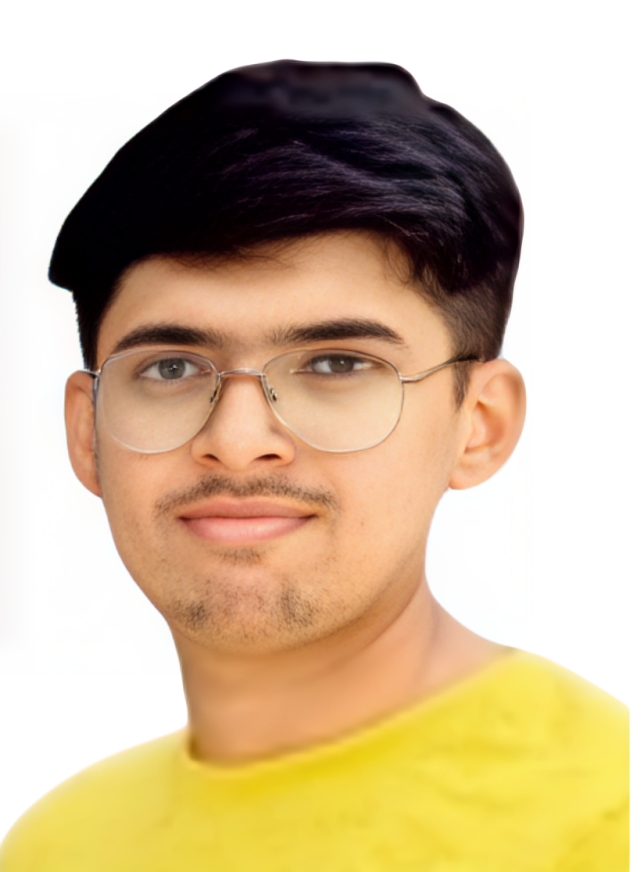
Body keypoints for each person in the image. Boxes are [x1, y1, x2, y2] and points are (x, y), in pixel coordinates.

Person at [0, 60, 627, 871]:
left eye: (336, 364)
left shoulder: (610, 818)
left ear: (480, 426)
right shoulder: (60, 845)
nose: (236, 440)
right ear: (88, 434)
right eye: (170, 368)